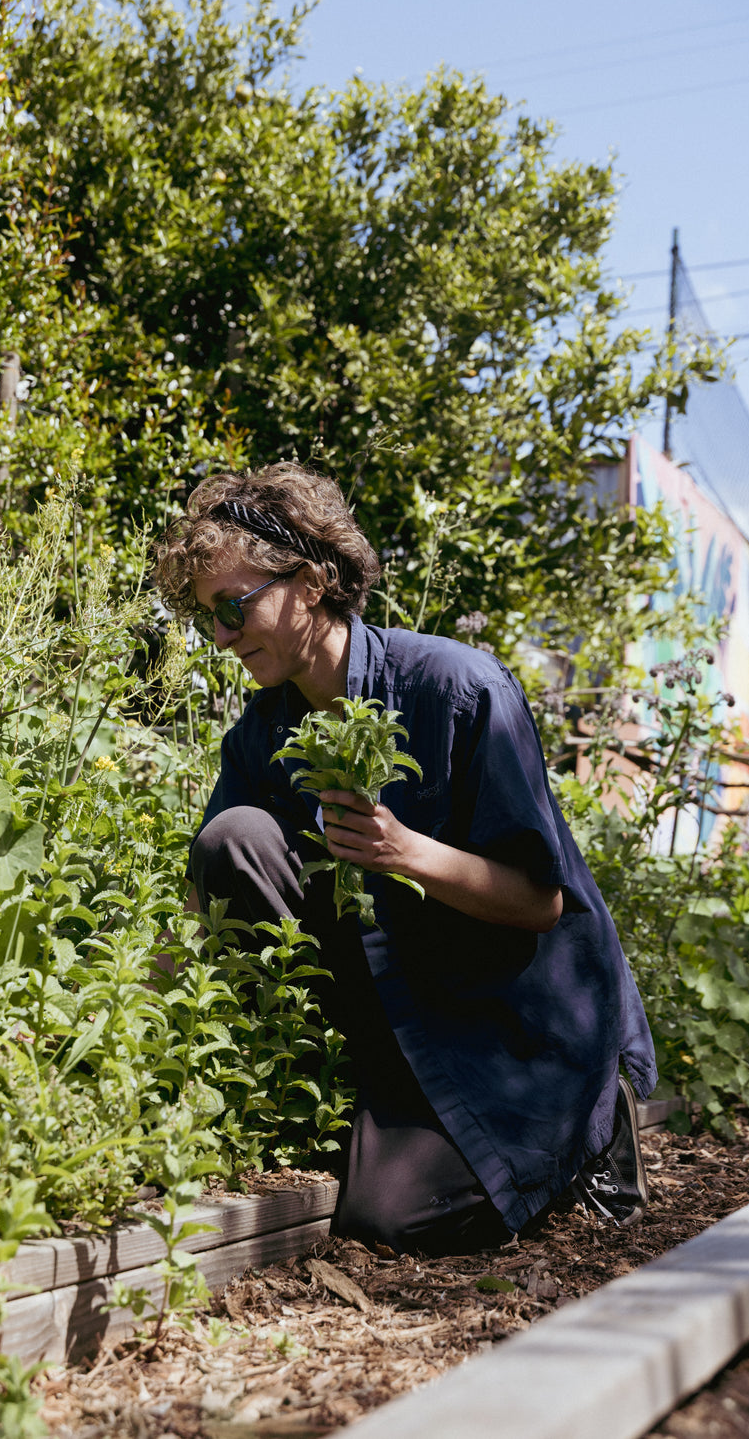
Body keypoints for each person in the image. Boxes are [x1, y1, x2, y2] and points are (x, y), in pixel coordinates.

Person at [153, 462, 656, 1256]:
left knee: (389, 1220)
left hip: (515, 1022)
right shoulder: (262, 729)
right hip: (389, 1003)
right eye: (206, 615)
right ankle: (367, 1102)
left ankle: (590, 1130)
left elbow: (539, 902)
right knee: (232, 839)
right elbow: (204, 898)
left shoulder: (456, 687)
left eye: (232, 605)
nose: (219, 635)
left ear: (312, 582)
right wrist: (136, 1035)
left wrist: (408, 852)